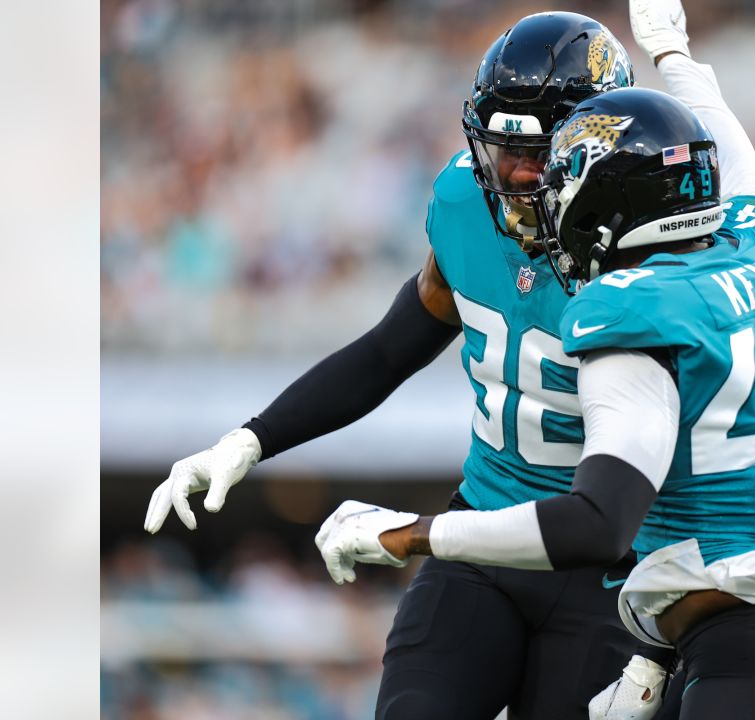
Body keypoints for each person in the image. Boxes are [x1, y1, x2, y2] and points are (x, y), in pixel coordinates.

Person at [315, 2, 755, 718]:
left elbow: (594, 523)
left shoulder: (627, 311)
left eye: (564, 188)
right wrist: (672, 56)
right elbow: (725, 141)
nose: (548, 207)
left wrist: (410, 534)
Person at [142, 11, 676, 720]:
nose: (515, 174)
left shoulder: (658, 248)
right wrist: (252, 437)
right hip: (486, 528)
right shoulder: (463, 204)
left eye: (538, 152)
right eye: (502, 148)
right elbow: (393, 347)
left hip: (617, 566)